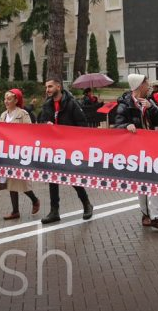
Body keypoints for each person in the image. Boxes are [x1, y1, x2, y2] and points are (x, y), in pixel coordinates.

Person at [113, 74, 158, 230]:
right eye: (146, 82)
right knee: (142, 183)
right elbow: (117, 125)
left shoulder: (149, 101)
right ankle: (145, 214)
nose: (149, 85)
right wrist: (126, 126)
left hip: (152, 147)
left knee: (157, 180)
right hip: (136, 151)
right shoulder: (125, 104)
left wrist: (152, 109)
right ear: (138, 86)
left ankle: (156, 217)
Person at [38, 77, 93, 224]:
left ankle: (86, 204)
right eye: (46, 87)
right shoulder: (47, 105)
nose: (47, 90)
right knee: (52, 179)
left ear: (58, 86)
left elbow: (82, 124)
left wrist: (69, 136)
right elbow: (40, 122)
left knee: (72, 177)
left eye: (50, 87)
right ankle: (54, 211)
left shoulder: (71, 103)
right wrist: (46, 124)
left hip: (69, 147)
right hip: (53, 148)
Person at [0, 89, 41, 220]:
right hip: (7, 153)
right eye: (5, 99)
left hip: (19, 152)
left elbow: (30, 131)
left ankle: (35, 200)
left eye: (9, 99)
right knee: (10, 182)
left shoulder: (23, 114)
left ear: (16, 100)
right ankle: (15, 211)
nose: (6, 101)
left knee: (22, 181)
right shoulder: (3, 115)